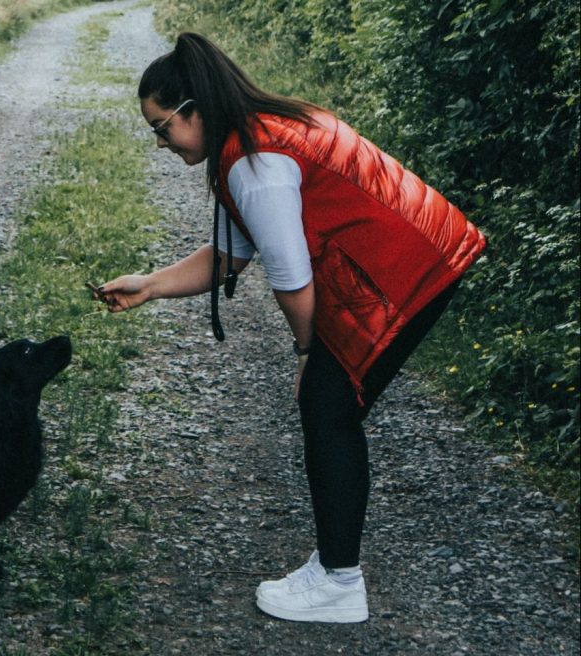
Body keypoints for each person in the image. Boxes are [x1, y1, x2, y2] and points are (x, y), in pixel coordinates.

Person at [93, 32, 485, 623]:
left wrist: (309, 351)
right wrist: (148, 284)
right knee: (330, 407)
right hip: (424, 253)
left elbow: (292, 281)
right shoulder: (260, 130)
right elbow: (233, 251)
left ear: (195, 108)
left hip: (411, 270)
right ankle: (334, 567)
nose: (160, 143)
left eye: (161, 127)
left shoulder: (254, 164)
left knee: (327, 406)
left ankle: (338, 583)